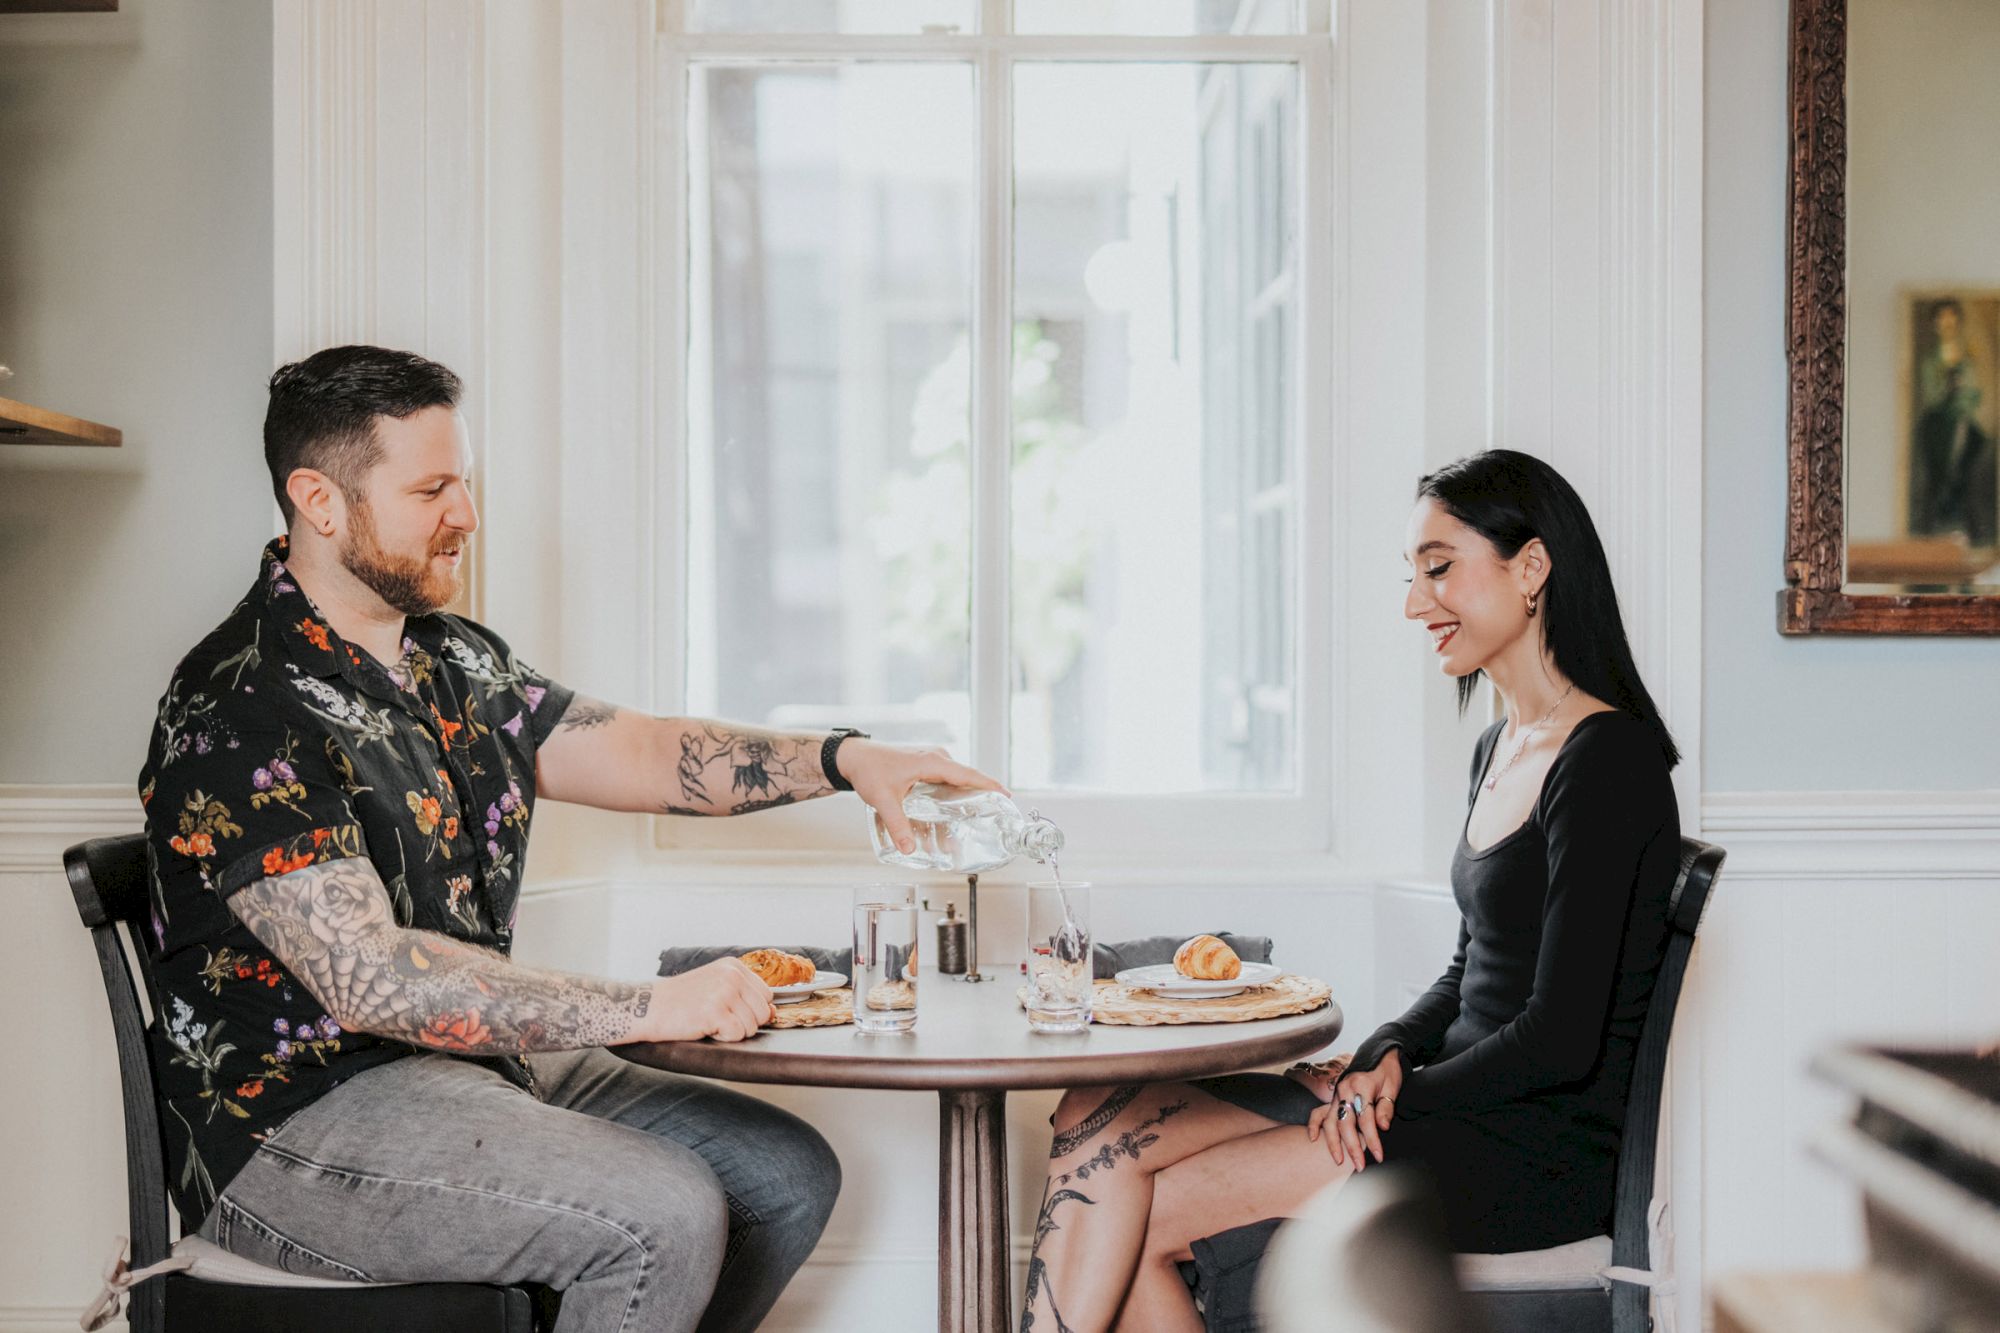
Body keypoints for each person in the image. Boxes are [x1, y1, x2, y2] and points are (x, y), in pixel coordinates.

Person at [138, 344, 1001, 1333]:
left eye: (463, 482)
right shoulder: (241, 701)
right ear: (319, 500)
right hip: (294, 1128)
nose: (464, 514)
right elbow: (375, 979)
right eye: (431, 489)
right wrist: (647, 1004)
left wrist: (848, 760)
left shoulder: (449, 658)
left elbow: (635, 749)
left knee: (779, 1174)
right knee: (661, 1214)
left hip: (462, 1075)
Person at [1018, 449, 1682, 1333]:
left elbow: (1560, 1038)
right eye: (1412, 576)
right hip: (1443, 1104)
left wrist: (1386, 1093)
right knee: (1092, 1112)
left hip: (1528, 1150)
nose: (1416, 603)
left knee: (1141, 1211)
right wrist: (1382, 1052)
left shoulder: (1608, 759)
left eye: (1439, 568)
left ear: (1531, 566)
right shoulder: (1499, 749)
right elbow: (1472, 967)